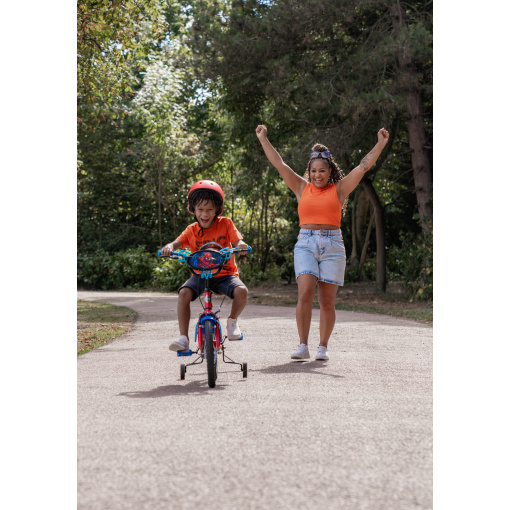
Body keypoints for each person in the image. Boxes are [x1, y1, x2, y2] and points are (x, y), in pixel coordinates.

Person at [255, 124, 389, 361]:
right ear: (309, 171)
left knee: (326, 301)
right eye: (314, 171)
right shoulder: (300, 187)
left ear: (330, 172)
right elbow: (279, 164)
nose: (318, 175)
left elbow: (363, 166)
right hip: (305, 243)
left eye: (322, 171)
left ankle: (322, 347)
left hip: (333, 246)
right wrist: (263, 139)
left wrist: (379, 144)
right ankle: (302, 345)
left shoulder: (340, 189)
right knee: (305, 293)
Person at [160, 180, 250, 352]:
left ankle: (232, 323)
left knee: (242, 292)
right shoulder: (192, 229)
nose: (205, 214)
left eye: (209, 209)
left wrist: (240, 245)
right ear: (193, 210)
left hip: (225, 274)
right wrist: (170, 247)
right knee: (184, 293)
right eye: (200, 209)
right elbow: (177, 243)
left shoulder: (226, 224)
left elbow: (238, 240)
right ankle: (183, 338)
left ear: (217, 210)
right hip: (200, 275)